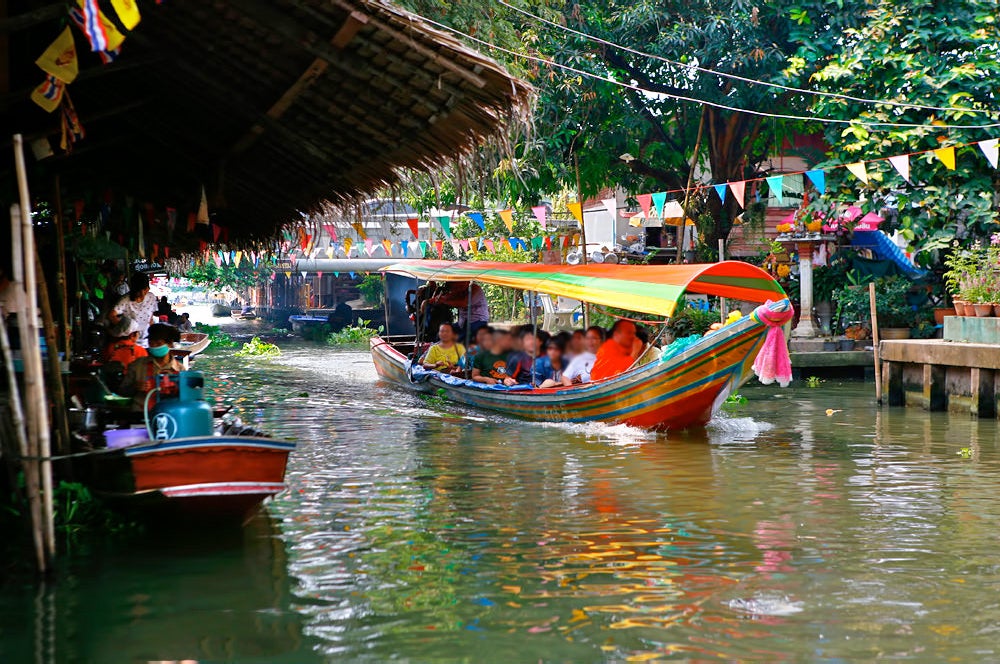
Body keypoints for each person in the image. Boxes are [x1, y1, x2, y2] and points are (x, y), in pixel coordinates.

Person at [118, 323, 183, 411]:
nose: (154, 346)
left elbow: (185, 399)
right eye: (151, 343)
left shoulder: (180, 370)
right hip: (140, 414)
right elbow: (121, 391)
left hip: (169, 416)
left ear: (170, 344)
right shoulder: (137, 365)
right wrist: (135, 387)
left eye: (158, 343)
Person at [108, 273, 158, 345]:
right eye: (139, 291)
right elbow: (111, 316)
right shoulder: (125, 300)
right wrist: (126, 328)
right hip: (129, 341)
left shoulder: (151, 297)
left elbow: (150, 319)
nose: (142, 294)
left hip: (146, 339)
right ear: (133, 289)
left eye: (145, 290)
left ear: (148, 288)